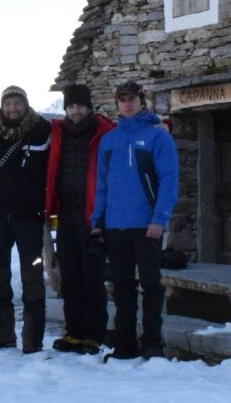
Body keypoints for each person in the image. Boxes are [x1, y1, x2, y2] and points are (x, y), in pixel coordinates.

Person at [91, 81, 179, 360]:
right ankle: (125, 345)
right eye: (122, 99)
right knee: (122, 288)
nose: (127, 104)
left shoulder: (157, 137)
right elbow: (101, 184)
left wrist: (160, 219)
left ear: (142, 101)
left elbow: (169, 180)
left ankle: (152, 344)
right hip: (115, 225)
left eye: (132, 99)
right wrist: (97, 221)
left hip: (146, 226)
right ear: (116, 104)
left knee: (151, 287)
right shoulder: (109, 140)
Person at [0, 86, 52, 354]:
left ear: (25, 104)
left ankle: (33, 339)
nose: (12, 108)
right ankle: (2, 334)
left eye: (17, 103)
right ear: (1, 106)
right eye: (7, 103)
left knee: (33, 277)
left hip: (29, 220)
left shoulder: (43, 131)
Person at [44, 84, 114, 355]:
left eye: (80, 106)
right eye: (71, 106)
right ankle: (73, 332)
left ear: (89, 107)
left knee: (92, 276)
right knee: (70, 275)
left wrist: (165, 123)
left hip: (92, 214)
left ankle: (94, 334)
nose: (75, 110)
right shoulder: (57, 132)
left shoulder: (104, 131)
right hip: (65, 213)